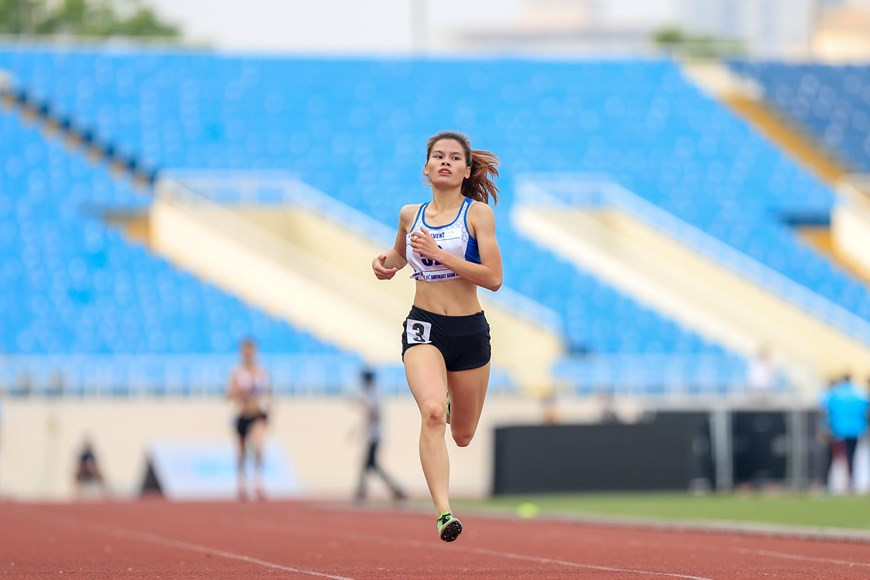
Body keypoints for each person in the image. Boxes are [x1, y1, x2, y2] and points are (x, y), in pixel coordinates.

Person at [371, 130, 502, 542]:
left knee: (461, 435)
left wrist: (442, 255)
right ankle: (444, 512)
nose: (444, 162)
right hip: (424, 325)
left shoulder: (478, 214)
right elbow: (401, 252)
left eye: (453, 158)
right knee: (431, 412)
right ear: (426, 168)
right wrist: (387, 263)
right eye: (437, 157)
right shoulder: (410, 214)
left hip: (469, 330)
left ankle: (447, 398)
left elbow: (494, 279)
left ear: (465, 170)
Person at [227, 337, 272, 501]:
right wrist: (239, 392)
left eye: (250, 350)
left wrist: (270, 406)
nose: (248, 354)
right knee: (241, 451)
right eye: (245, 350)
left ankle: (258, 481)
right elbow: (229, 395)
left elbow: (269, 392)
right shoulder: (237, 372)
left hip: (258, 413)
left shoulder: (262, 371)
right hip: (242, 414)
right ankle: (242, 482)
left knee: (259, 445)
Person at [353, 368, 407, 502]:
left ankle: (363, 491)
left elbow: (374, 414)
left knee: (369, 464)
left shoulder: (373, 393)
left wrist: (360, 405)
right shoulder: (373, 393)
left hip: (375, 436)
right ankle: (393, 490)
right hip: (375, 435)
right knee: (370, 465)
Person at [818, 373, 870, 493]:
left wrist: (824, 428)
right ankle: (851, 482)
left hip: (836, 431)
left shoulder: (834, 394)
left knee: (833, 457)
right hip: (855, 430)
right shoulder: (859, 394)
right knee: (851, 457)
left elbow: (825, 411)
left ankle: (828, 484)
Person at [74, 434, 107, 500]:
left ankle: (103, 494)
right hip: (84, 472)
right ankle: (77, 495)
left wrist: (96, 472)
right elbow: (80, 466)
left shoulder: (92, 454)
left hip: (92, 472)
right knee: (77, 475)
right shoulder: (82, 455)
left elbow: (95, 465)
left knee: (101, 476)